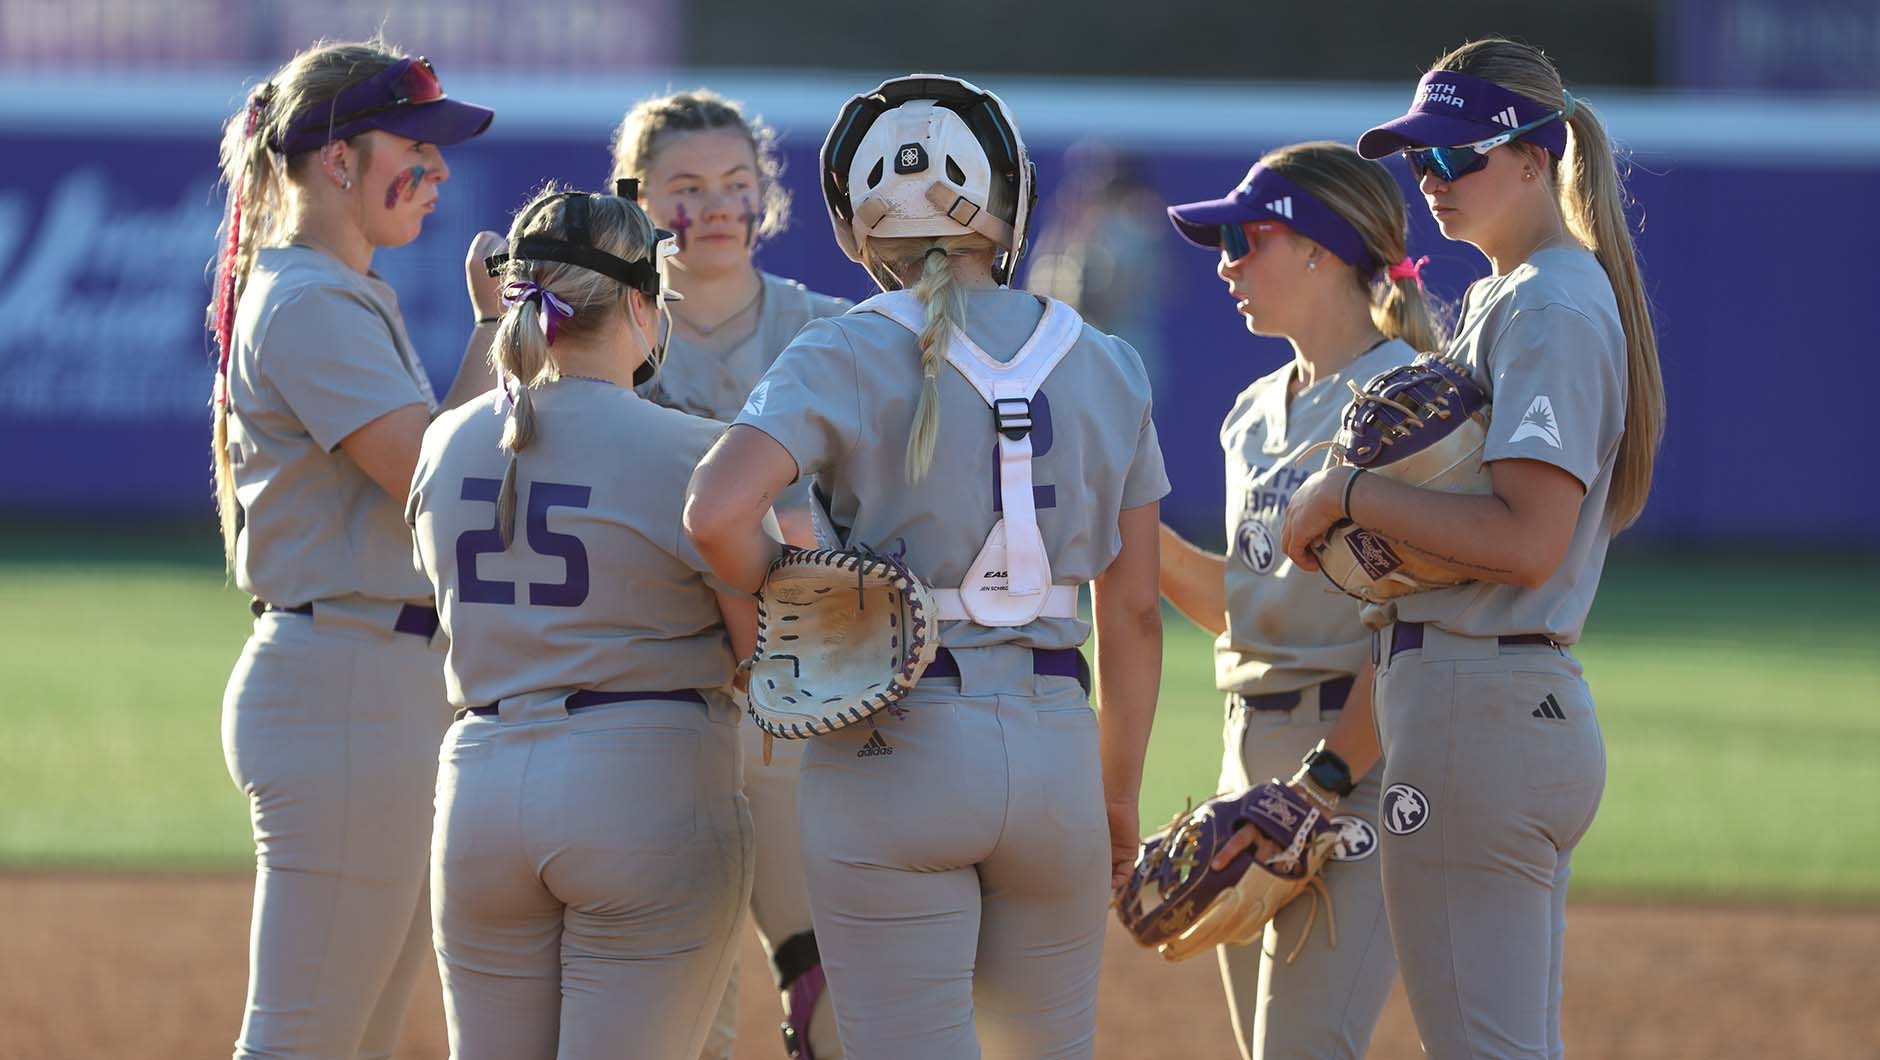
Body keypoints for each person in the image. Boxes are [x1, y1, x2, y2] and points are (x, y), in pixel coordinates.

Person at [682, 74, 1167, 1059]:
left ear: (858, 222)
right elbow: (1136, 611)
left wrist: (789, 612)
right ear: (1007, 203)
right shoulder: (1107, 360)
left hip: (889, 741)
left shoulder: (842, 347)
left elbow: (715, 512)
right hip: (1054, 748)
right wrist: (1114, 797)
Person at [1280, 37, 1666, 1059]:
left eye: (1457, 156)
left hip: (1476, 708)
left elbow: (1527, 538)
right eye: (1419, 160)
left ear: (1536, 158)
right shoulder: (1517, 291)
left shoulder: (1548, 298)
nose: (1430, 180)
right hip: (1490, 705)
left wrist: (1346, 490)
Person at [406, 183, 760, 1058]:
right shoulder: (694, 450)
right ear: (640, 305)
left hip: (480, 785)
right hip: (643, 782)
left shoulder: (447, 438)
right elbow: (770, 652)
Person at [206, 39, 498, 1059]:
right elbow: (434, 482)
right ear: (337, 162)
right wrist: (516, 353)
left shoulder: (330, 287)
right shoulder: (308, 298)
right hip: (345, 688)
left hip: (373, 680)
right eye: (412, 146)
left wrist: (493, 333)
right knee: (304, 1037)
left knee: (353, 1036)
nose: (436, 170)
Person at [1158, 141, 1443, 1059]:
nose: (1226, 263)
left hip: (1354, 769)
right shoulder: (1251, 411)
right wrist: (1122, 538)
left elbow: (1415, 626)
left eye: (1245, 239)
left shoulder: (1405, 399)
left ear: (1322, 247)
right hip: (1250, 764)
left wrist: (1323, 781)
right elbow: (1252, 608)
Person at [607, 88, 851, 1060]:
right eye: (686, 186)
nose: (714, 206)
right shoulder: (598, 337)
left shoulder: (831, 329)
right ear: (635, 197)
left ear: (766, 197)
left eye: (736, 184)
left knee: (829, 978)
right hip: (651, 696)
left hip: (798, 697)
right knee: (674, 1004)